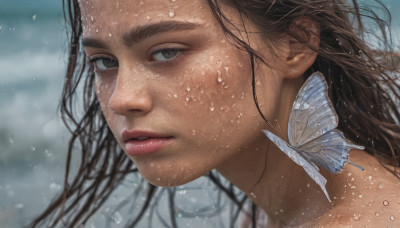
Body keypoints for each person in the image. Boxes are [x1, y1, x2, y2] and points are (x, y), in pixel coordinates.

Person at [29, 0, 400, 227]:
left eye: (167, 51)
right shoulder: (280, 211)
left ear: (294, 46)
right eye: (105, 62)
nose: (121, 99)